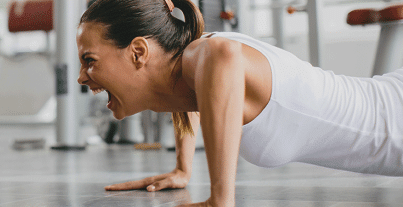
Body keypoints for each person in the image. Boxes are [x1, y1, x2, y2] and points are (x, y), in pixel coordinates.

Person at [76, 0, 403, 206]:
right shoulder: (191, 68)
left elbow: (223, 56)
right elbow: (188, 94)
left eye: (89, 60)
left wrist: (221, 199)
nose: (81, 77)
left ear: (138, 52)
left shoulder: (205, 54)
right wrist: (183, 168)